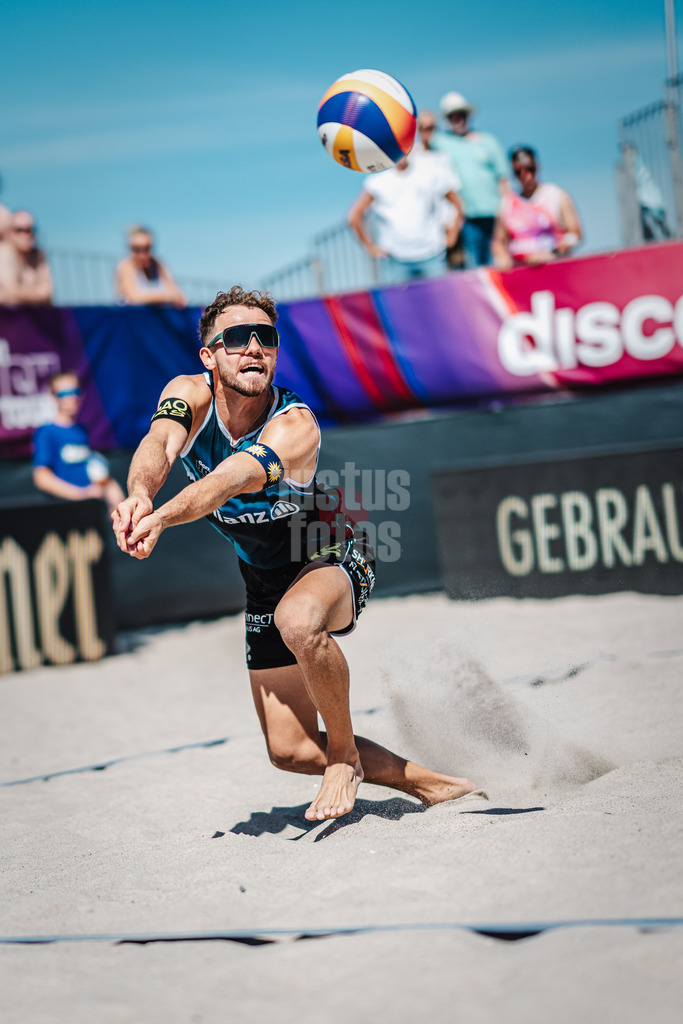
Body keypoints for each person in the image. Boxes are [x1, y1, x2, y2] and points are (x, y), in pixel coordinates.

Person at [112, 285, 477, 821]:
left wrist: (160, 517)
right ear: (209, 356)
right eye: (236, 338)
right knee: (290, 750)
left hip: (327, 550)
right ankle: (431, 783)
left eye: (266, 338)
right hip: (262, 575)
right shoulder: (188, 394)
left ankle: (346, 757)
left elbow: (226, 481)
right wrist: (140, 494)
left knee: (299, 621)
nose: (254, 347)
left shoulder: (295, 425)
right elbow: (158, 445)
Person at [347, 151, 463, 283]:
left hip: (433, 255)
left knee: (439, 303)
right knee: (398, 304)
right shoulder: (376, 182)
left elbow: (457, 203)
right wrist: (370, 247)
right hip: (395, 260)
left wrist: (453, 235)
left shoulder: (430, 174)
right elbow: (354, 216)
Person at [431, 91, 508, 268]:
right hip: (466, 218)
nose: (458, 120)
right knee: (474, 268)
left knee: (499, 261)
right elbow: (424, 132)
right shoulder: (441, 142)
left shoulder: (488, 141)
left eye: (462, 115)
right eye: (453, 117)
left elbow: (503, 180)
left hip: (495, 215)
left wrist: (507, 211)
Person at [33, 372, 125, 512]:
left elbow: (97, 471)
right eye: (64, 393)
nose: (72, 397)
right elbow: (42, 478)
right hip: (63, 512)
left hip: (91, 510)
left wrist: (118, 502)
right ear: (53, 397)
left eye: (75, 391)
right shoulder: (46, 432)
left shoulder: (81, 430)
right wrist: (82, 494)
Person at [491, 147, 582, 269]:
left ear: (537, 166)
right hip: (519, 272)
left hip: (554, 269)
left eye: (530, 169)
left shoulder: (556, 196)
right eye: (519, 172)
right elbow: (499, 242)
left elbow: (575, 235)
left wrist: (552, 253)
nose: (526, 176)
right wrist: (502, 258)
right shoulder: (506, 203)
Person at [115, 225, 186, 306]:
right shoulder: (125, 265)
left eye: (147, 248)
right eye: (137, 249)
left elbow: (180, 296)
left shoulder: (159, 264)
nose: (142, 254)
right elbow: (133, 297)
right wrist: (167, 296)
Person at [0, 210, 53, 305]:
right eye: (20, 230)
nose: (27, 234)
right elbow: (10, 291)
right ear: (9, 233)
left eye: (31, 229)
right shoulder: (4, 252)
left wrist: (19, 293)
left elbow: (47, 291)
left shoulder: (38, 255)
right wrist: (37, 293)